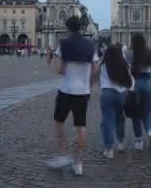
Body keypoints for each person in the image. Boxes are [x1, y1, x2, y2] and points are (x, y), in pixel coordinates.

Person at [46, 16, 99, 176]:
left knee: (59, 123)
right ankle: (78, 162)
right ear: (81, 27)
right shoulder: (90, 46)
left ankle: (64, 155)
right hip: (83, 93)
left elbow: (61, 70)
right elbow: (96, 69)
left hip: (67, 90)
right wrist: (88, 85)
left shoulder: (64, 44)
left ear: (68, 28)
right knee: (81, 127)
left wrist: (49, 61)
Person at [99, 44, 133, 159]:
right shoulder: (124, 64)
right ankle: (121, 142)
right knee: (120, 118)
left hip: (107, 93)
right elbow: (130, 80)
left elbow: (99, 79)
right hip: (121, 94)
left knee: (107, 120)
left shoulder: (103, 65)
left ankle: (109, 149)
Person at [128, 33, 151, 151]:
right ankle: (149, 132)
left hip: (135, 84)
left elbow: (128, 70)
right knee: (147, 111)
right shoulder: (149, 52)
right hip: (147, 83)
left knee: (135, 113)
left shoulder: (130, 53)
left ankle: (138, 140)